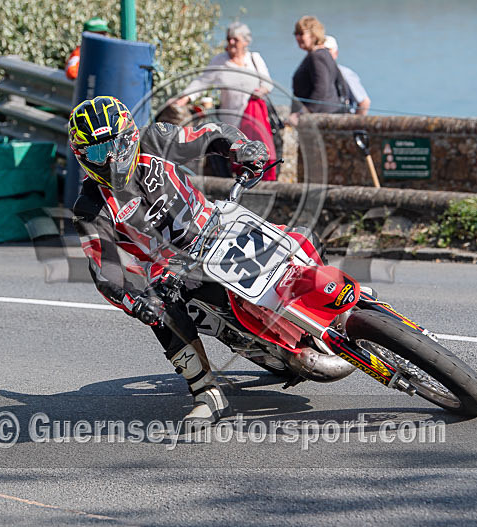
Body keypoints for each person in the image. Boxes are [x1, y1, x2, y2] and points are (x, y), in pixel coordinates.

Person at [68, 96, 269, 423]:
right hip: (171, 271)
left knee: (289, 235)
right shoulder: (90, 207)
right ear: (82, 158)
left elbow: (209, 134)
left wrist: (240, 148)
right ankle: (206, 391)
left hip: (217, 226)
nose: (109, 158)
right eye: (95, 152)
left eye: (114, 145)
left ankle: (353, 297)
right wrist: (136, 301)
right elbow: (104, 269)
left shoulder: (156, 139)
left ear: (130, 136)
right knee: (160, 311)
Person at [173, 22, 278, 180]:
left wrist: (260, 91)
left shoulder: (254, 59)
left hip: (254, 118)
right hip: (232, 120)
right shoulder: (220, 61)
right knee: (236, 158)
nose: (231, 43)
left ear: (245, 41)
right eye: (229, 39)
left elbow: (267, 83)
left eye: (235, 39)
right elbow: (202, 82)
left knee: (259, 155)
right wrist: (186, 97)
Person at [288, 16, 350, 125]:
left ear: (313, 34)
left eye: (301, 34)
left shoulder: (316, 57)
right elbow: (341, 82)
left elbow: (321, 88)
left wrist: (303, 112)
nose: (298, 37)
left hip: (322, 116)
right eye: (296, 34)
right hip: (331, 111)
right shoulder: (325, 53)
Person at [323, 35, 370, 115]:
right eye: (320, 51)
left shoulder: (345, 74)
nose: (324, 54)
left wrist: (354, 124)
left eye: (328, 50)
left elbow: (364, 102)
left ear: (336, 53)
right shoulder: (309, 73)